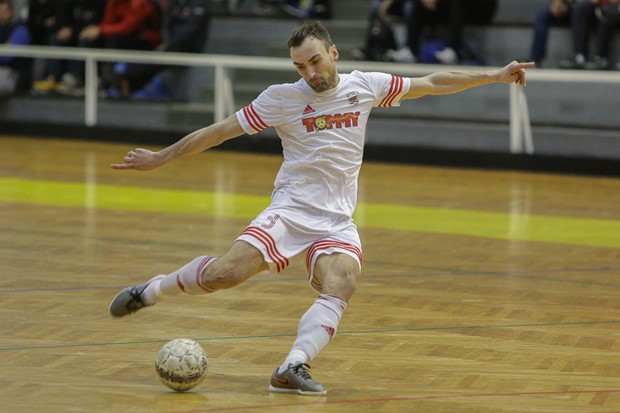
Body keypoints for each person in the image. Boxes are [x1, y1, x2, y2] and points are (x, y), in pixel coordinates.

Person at [108, 21, 534, 395]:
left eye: (315, 62)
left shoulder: (364, 85)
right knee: (224, 276)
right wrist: (162, 156)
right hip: (291, 210)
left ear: (333, 53)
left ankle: (292, 365)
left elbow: (432, 82)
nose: (309, 73)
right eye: (300, 67)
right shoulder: (281, 98)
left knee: (342, 282)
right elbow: (218, 132)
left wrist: (494, 76)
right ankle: (152, 290)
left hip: (336, 220)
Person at [127, 0, 211, 101]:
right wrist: (168, 44)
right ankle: (128, 84)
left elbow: (191, 31)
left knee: (156, 59)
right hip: (171, 45)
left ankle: (128, 83)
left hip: (190, 47)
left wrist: (170, 46)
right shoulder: (174, 3)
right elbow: (167, 25)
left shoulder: (198, 4)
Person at [78, 0, 161, 96]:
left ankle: (107, 82)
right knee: (90, 38)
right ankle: (83, 79)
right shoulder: (114, 2)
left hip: (146, 39)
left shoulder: (141, 2)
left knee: (114, 40)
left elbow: (129, 26)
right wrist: (95, 31)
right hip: (123, 36)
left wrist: (100, 29)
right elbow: (108, 22)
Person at [31, 0, 106, 95]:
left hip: (93, 35)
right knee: (55, 38)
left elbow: (101, 22)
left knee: (84, 39)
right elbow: (63, 19)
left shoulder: (100, 3)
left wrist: (95, 29)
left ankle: (73, 77)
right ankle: (53, 77)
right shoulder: (68, 2)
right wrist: (65, 28)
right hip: (74, 32)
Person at [404, 0, 498, 64]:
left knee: (457, 2)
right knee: (419, 3)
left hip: (481, 6)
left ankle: (453, 51)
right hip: (451, 6)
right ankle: (411, 51)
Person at [559, 0, 618, 69]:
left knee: (606, 12)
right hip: (595, 5)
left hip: (614, 6)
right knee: (580, 9)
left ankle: (601, 58)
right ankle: (579, 57)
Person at [529, 0, 575, 67]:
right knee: (542, 15)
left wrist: (568, 6)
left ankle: (579, 57)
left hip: (576, 8)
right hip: (558, 7)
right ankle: (536, 58)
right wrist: (556, 4)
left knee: (579, 13)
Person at [0, 0, 31, 96]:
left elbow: (7, 56)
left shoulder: (20, 29)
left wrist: (5, 49)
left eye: (3, 12)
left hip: (11, 73)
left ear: (11, 12)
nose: (1, 15)